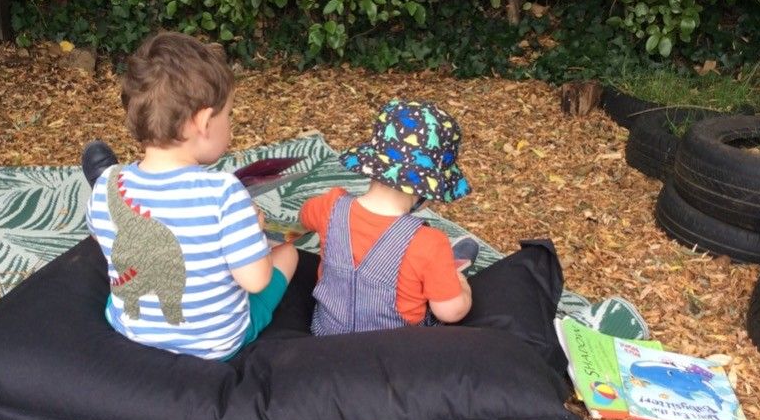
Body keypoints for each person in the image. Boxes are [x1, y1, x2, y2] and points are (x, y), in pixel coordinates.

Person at [81, 31, 298, 360]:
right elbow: (255, 281)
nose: (230, 125)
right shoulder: (225, 192)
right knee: (288, 254)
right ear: (204, 122)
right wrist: (253, 232)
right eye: (228, 116)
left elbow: (103, 241)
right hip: (215, 345)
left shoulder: (107, 186)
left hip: (132, 331)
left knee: (125, 285)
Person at [300, 99, 474, 335]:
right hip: (394, 355)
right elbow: (450, 312)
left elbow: (304, 215)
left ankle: (445, 270)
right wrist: (462, 287)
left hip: (325, 338)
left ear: (373, 164)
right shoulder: (430, 243)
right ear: (427, 188)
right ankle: (451, 271)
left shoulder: (330, 207)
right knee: (446, 294)